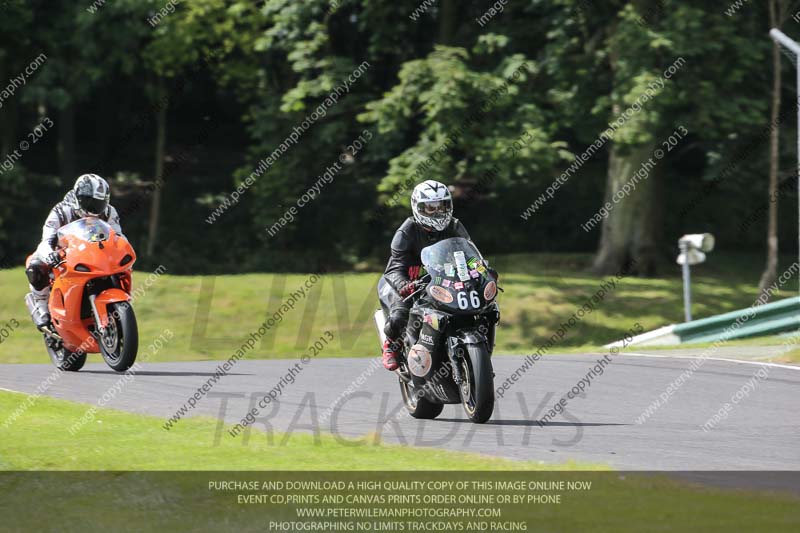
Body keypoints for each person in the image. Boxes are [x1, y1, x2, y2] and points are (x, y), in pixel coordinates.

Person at [379, 179, 471, 370]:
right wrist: (404, 285)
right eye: (430, 208)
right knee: (399, 316)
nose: (437, 212)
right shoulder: (407, 231)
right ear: (417, 208)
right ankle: (391, 345)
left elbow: (469, 255)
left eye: (442, 206)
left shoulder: (454, 226)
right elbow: (395, 266)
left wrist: (480, 270)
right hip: (410, 282)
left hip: (443, 280)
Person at [25, 174, 124, 328]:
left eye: (99, 204)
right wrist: (50, 255)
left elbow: (118, 236)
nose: (94, 209)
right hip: (65, 256)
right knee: (36, 265)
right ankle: (41, 306)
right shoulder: (60, 211)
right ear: (78, 198)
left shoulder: (109, 212)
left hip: (97, 255)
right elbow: (46, 240)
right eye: (89, 202)